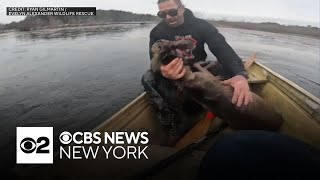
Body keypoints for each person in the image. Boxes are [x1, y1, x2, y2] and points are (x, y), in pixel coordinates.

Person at [141, 0, 252, 145]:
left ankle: (223, 108)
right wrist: (162, 70)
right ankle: (171, 115)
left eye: (172, 12)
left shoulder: (201, 26)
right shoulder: (157, 32)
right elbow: (153, 61)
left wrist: (239, 75)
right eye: (162, 14)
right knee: (147, 77)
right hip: (173, 71)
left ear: (182, 9)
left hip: (199, 67)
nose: (168, 17)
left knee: (229, 68)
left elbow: (221, 48)